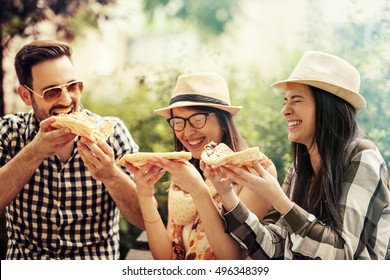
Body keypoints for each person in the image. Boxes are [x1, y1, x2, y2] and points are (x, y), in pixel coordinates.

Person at [206, 51, 390, 259]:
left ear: (328, 107)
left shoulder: (363, 156)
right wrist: (227, 194)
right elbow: (275, 250)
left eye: (296, 100)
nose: (285, 110)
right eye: (285, 101)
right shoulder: (299, 167)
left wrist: (278, 199)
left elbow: (343, 254)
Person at [0, 40, 144, 259]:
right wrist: (34, 153)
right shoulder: (9, 132)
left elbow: (144, 219)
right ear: (25, 96)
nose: (66, 100)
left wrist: (111, 175)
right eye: (51, 92)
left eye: (72, 86)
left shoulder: (112, 132)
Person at [124, 72, 277, 259]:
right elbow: (166, 259)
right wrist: (145, 196)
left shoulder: (256, 171)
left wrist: (199, 191)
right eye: (178, 122)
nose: (187, 132)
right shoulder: (184, 173)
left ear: (223, 121)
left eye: (197, 120)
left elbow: (233, 260)